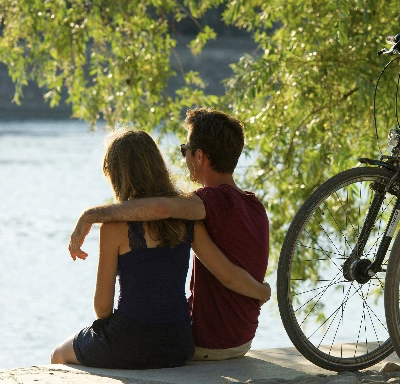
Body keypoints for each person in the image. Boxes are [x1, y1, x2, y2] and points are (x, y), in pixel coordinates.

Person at [51, 129, 270, 368]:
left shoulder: (112, 229)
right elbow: (227, 273)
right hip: (178, 344)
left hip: (129, 340)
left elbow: (102, 309)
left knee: (59, 355)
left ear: (115, 174)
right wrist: (262, 292)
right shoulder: (188, 222)